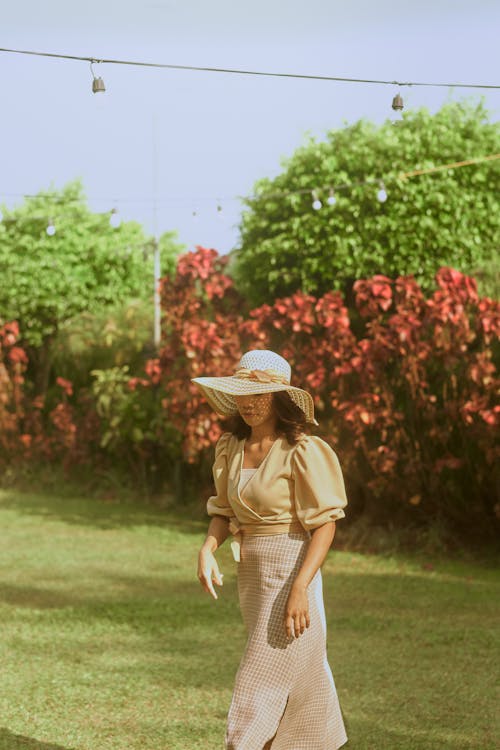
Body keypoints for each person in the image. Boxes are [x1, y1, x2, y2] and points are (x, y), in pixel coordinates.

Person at [193, 349, 349, 750]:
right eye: (241, 394)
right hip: (254, 579)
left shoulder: (302, 449)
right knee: (300, 685)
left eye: (258, 394)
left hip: (294, 572)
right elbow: (224, 511)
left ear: (280, 397)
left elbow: (325, 524)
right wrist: (208, 548)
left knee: (259, 679)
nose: (247, 403)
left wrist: (301, 587)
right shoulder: (230, 446)